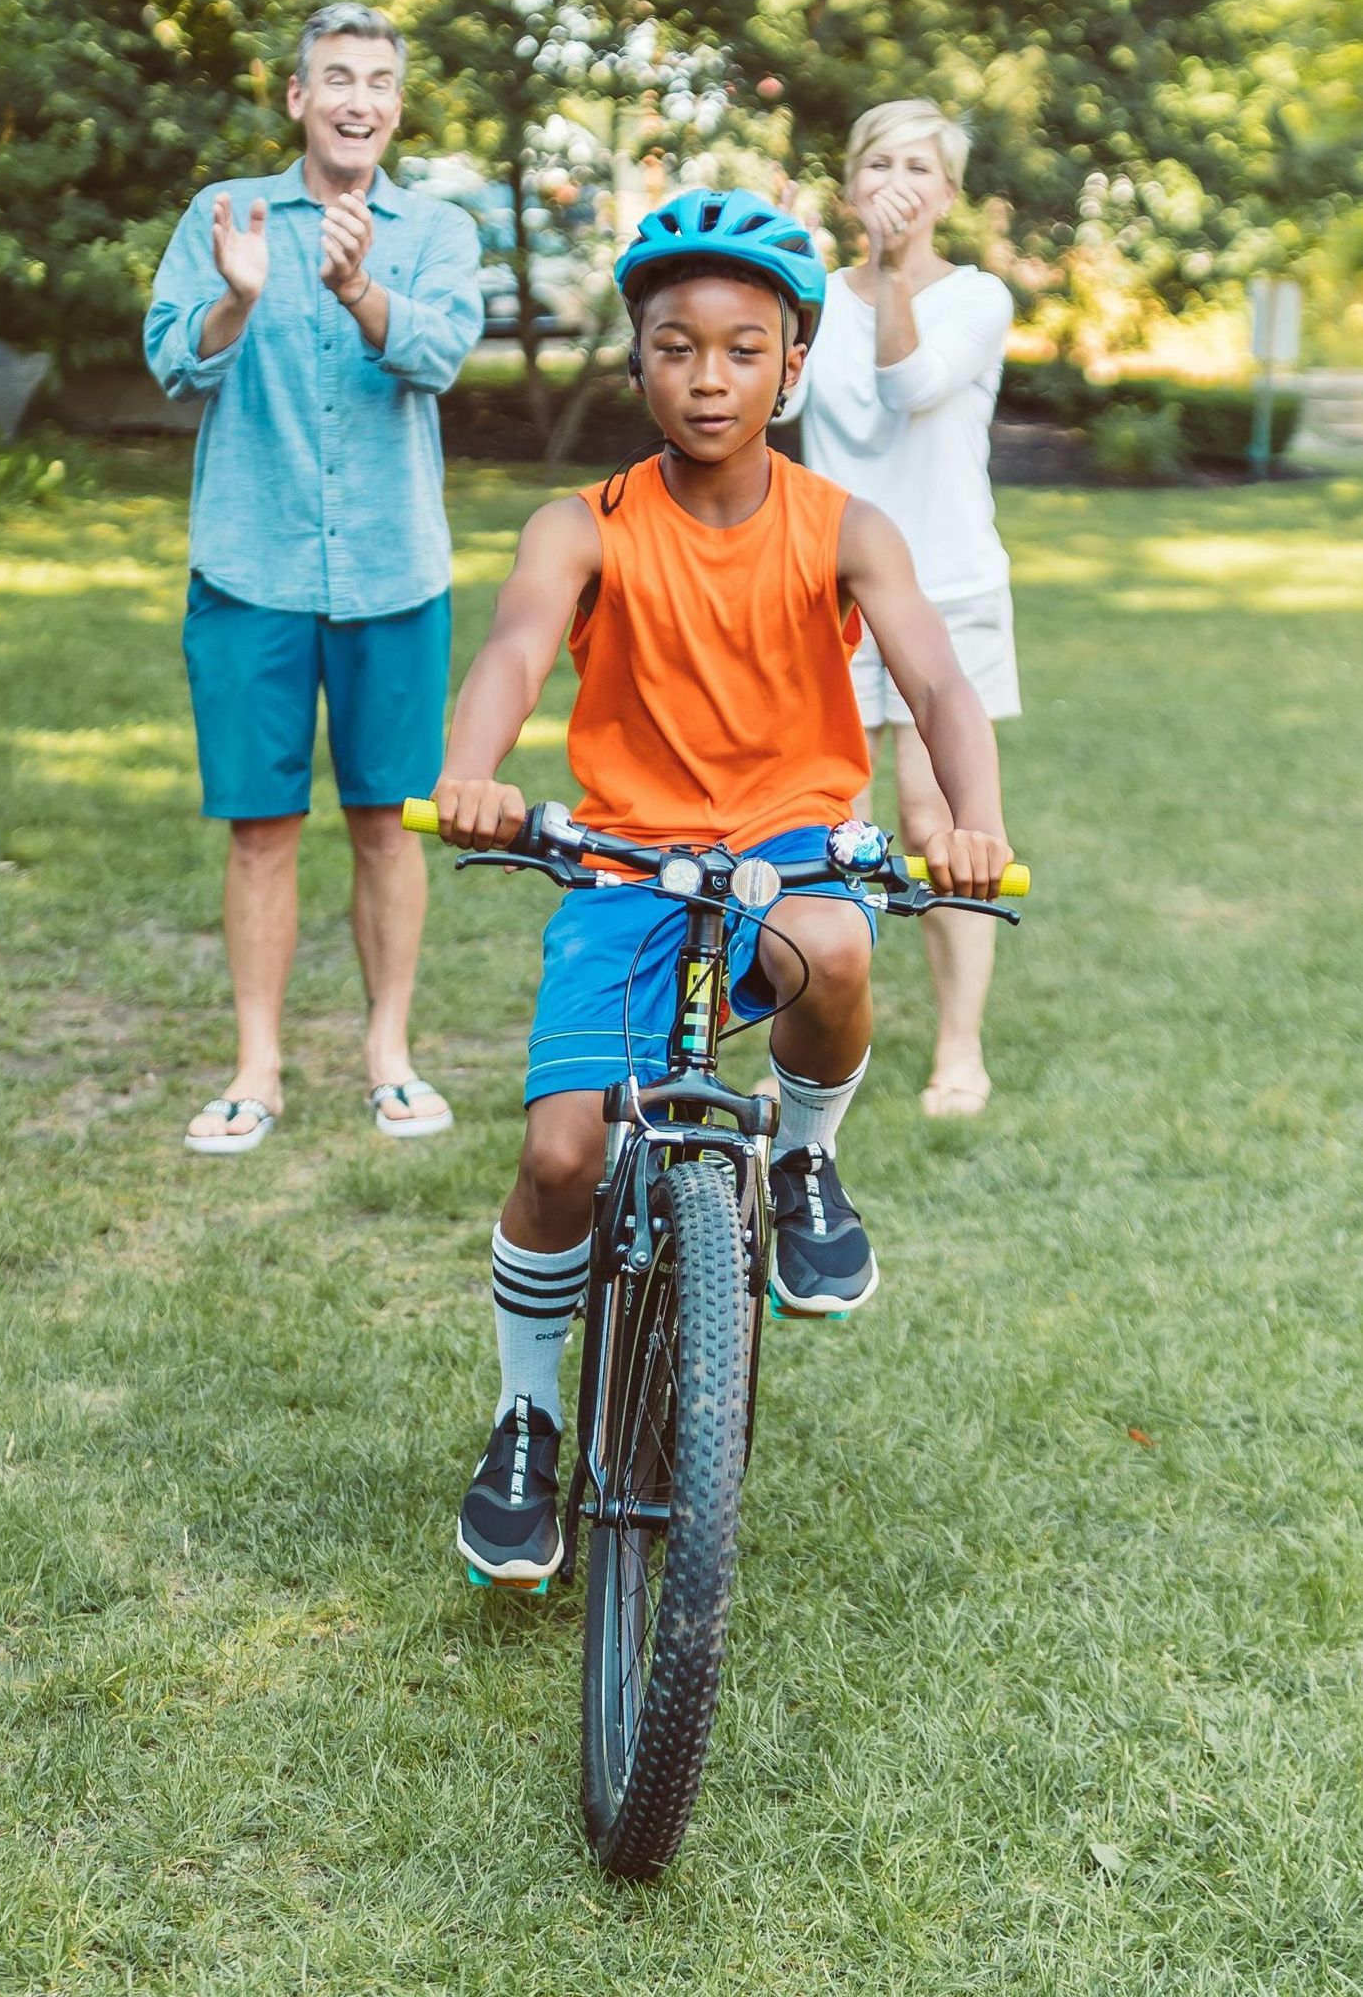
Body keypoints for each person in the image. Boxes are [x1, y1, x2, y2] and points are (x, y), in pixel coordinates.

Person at [424, 188, 1012, 1585]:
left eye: (743, 349)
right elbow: (513, 649)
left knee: (834, 947)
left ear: (792, 366)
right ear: (637, 360)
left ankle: (801, 1159)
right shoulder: (585, 525)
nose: (707, 375)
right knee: (563, 1155)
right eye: (676, 346)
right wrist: (471, 767)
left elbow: (933, 676)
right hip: (624, 860)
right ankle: (525, 1419)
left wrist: (972, 820)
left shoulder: (841, 525)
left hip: (791, 846)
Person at [145, 3, 484, 1154]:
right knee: (260, 829)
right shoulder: (222, 216)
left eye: (377, 81)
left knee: (389, 824)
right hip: (251, 567)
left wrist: (357, 291)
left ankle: (389, 1054)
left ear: (395, 104)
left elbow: (439, 352)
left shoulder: (434, 229)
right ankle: (258, 1067)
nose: (357, 98)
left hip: (394, 573)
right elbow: (168, 360)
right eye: (335, 77)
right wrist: (240, 296)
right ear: (296, 97)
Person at [778, 100, 1017, 1118]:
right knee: (828, 826)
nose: (898, 179)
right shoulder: (817, 297)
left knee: (936, 820)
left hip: (947, 593)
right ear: (849, 183)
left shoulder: (977, 298)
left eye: (919, 166)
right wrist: (785, 275)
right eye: (879, 162)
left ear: (947, 194)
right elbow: (771, 407)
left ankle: (957, 1047)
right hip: (828, 594)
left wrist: (881, 271)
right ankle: (829, 1033)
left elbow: (907, 381)